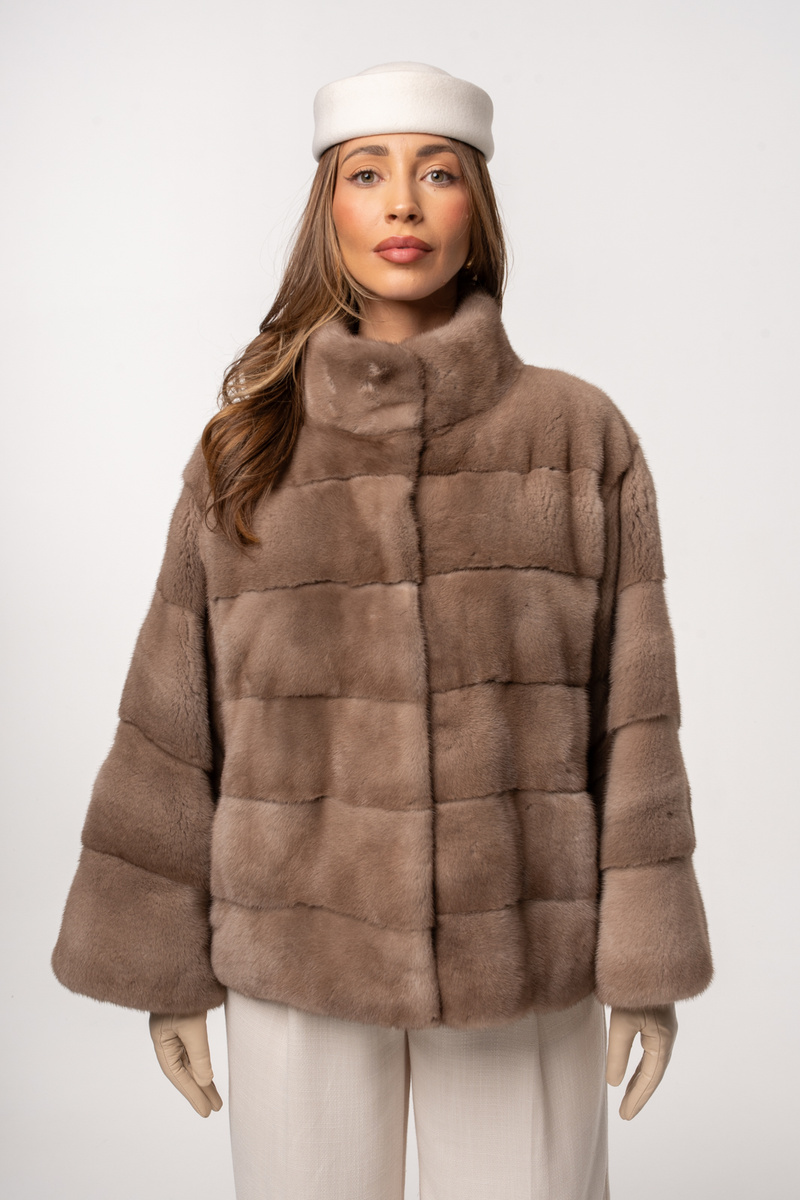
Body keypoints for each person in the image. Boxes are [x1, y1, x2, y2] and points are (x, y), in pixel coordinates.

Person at [52, 61, 713, 1200]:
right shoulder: (244, 452)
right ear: (329, 209)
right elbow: (171, 716)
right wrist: (162, 968)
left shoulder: (576, 437)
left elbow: (635, 716)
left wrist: (644, 959)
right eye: (367, 173)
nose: (402, 202)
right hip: (294, 955)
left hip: (521, 953)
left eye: (437, 172)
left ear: (476, 207)